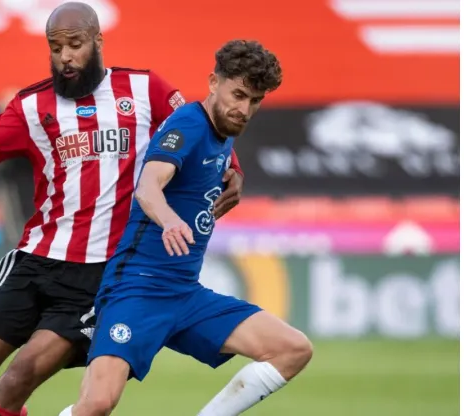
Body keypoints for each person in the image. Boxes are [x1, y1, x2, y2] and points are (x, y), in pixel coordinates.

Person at [0, 3, 245, 416]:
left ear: (98, 41)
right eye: (55, 46)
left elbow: (201, 126)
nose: (65, 55)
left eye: (75, 44)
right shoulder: (31, 106)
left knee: (20, 374)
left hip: (99, 274)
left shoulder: (144, 89)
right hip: (35, 260)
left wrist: (234, 167)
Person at [58, 40, 313, 416]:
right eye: (238, 94)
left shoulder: (221, 135)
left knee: (293, 349)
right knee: (96, 404)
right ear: (213, 82)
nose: (244, 109)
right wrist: (170, 219)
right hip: (138, 287)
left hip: (184, 293)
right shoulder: (188, 124)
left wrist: (231, 178)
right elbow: (148, 187)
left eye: (255, 101)